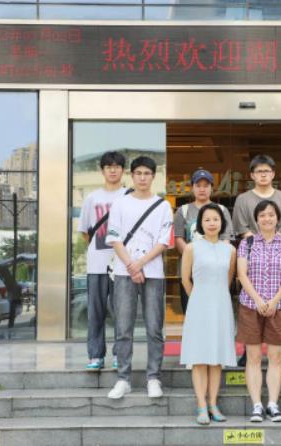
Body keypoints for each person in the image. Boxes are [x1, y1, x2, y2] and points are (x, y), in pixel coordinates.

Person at [105, 155, 173, 400]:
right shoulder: (120, 204)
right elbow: (114, 238)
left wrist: (140, 264)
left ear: (154, 176)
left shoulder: (162, 206)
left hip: (153, 273)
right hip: (124, 273)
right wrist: (131, 266)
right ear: (131, 176)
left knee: (154, 327)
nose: (143, 178)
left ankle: (153, 377)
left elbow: (164, 241)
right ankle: (123, 379)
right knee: (123, 327)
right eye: (138, 173)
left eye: (147, 173)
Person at [236, 200, 281, 423]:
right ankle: (256, 405)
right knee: (253, 357)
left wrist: (274, 301)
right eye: (262, 215)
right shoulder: (247, 243)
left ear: (277, 218)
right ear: (256, 219)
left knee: (275, 356)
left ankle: (272, 403)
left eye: (271, 214)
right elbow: (242, 274)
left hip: (279, 307)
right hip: (250, 305)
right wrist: (259, 300)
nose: (267, 219)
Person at [180, 203, 237, 425]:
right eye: (207, 220)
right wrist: (198, 299)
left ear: (222, 222)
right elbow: (185, 279)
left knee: (217, 358)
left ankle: (213, 403)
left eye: (216, 219)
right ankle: (201, 406)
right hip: (199, 306)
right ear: (200, 224)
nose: (212, 223)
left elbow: (228, 279)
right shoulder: (191, 248)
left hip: (221, 306)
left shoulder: (230, 250)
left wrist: (216, 297)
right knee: (199, 357)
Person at [232, 154, 281, 366]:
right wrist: (260, 243)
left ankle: (277, 353)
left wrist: (273, 242)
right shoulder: (243, 199)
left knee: (278, 303)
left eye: (267, 171)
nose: (263, 175)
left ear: (273, 174)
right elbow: (241, 228)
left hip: (279, 252)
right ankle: (248, 352)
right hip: (251, 251)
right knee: (251, 304)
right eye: (259, 171)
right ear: (252, 175)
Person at [76, 151, 128, 370]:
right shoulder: (92, 198)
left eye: (117, 167)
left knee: (121, 313)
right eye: (108, 167)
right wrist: (100, 250)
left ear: (123, 170)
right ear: (102, 171)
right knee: (95, 312)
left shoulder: (129, 196)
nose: (113, 170)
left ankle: (119, 355)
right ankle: (95, 355)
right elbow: (85, 232)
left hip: (121, 265)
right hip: (97, 264)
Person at [174, 169, 234, 314]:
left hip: (216, 271)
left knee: (216, 313)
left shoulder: (221, 210)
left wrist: (212, 260)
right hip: (191, 271)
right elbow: (178, 238)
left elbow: (226, 239)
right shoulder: (183, 210)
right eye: (198, 185)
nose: (202, 189)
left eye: (206, 186)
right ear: (192, 187)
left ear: (212, 188)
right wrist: (196, 258)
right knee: (193, 312)